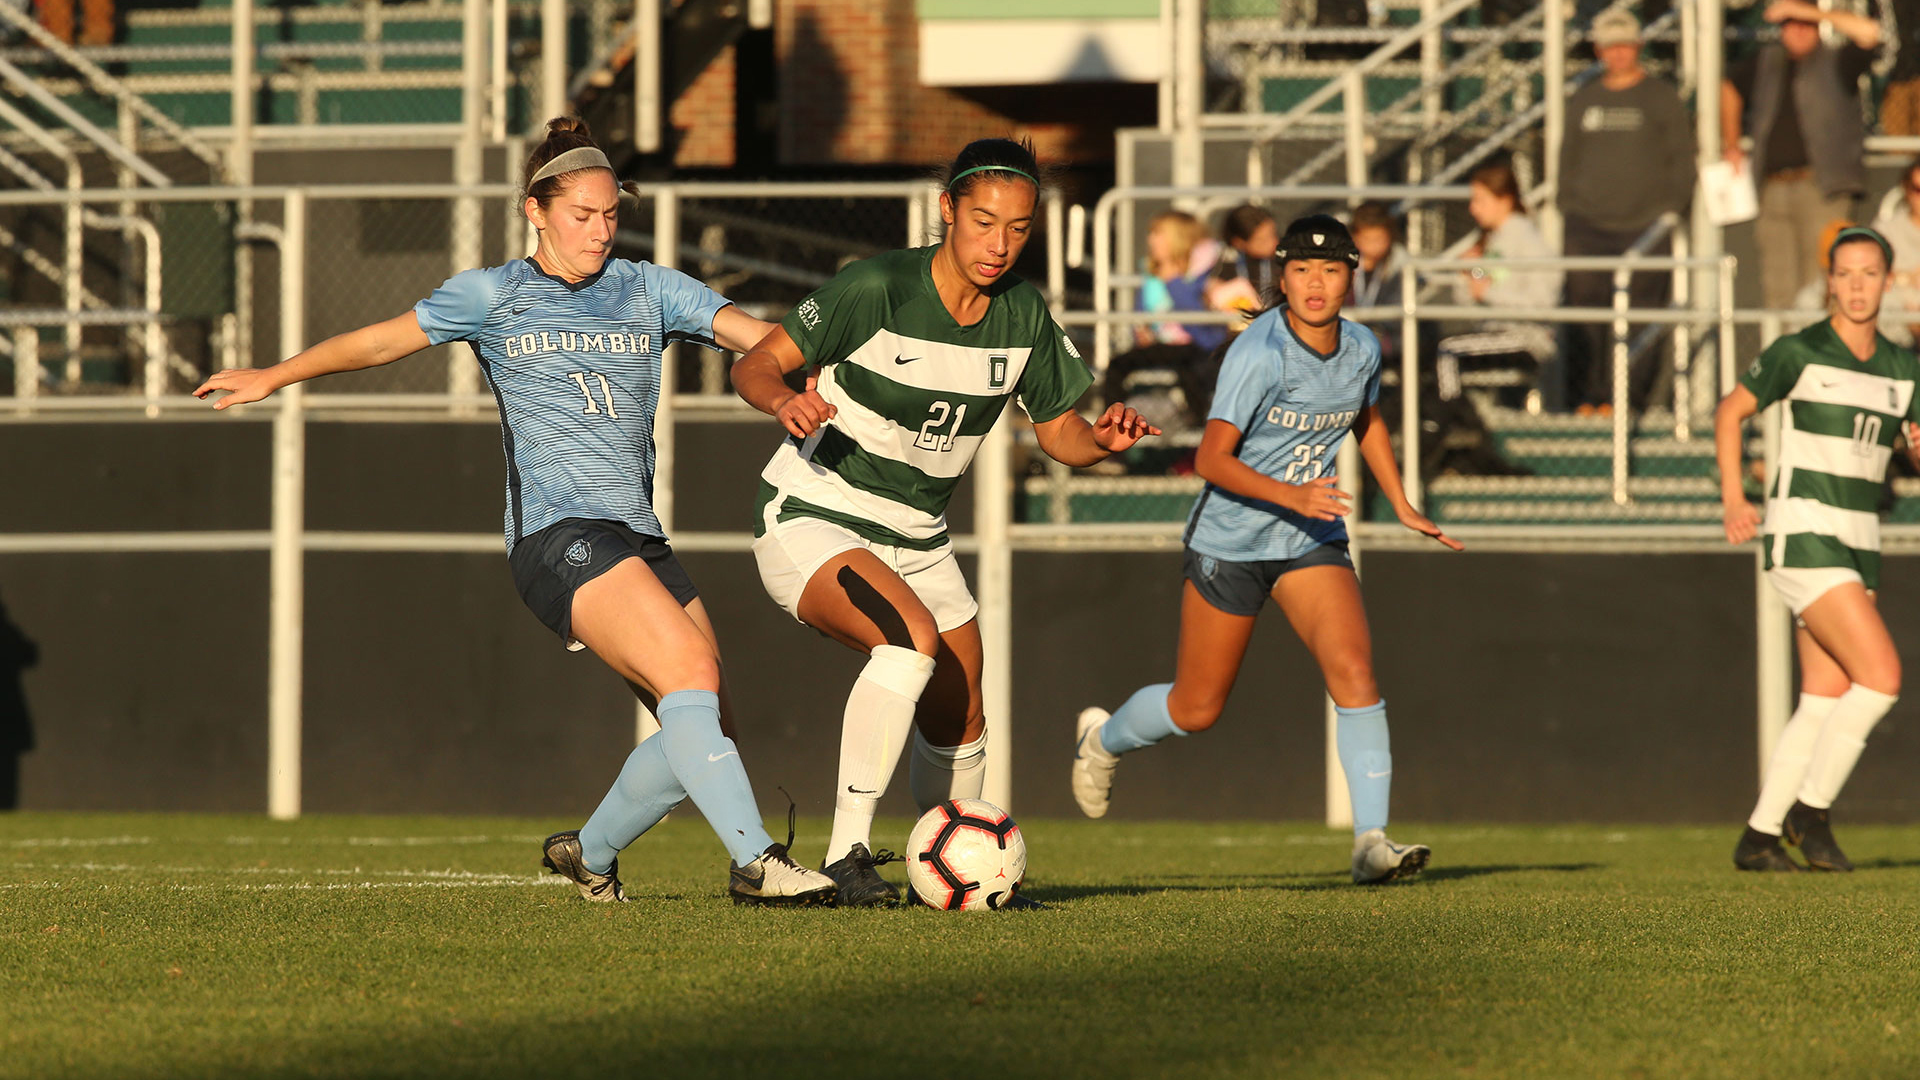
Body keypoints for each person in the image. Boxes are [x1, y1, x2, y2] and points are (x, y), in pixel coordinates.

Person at [193, 117, 837, 907]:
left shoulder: (652, 289)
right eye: (581, 215)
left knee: (704, 727)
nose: (600, 231)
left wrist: (829, 366)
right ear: (535, 210)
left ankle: (589, 857)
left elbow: (764, 341)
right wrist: (274, 374)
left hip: (636, 535)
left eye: (610, 215)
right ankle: (756, 864)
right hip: (557, 536)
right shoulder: (492, 294)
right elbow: (376, 344)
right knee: (691, 674)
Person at [730, 137, 1158, 907]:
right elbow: (755, 362)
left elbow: (1061, 432)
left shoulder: (1022, 312)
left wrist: (1101, 441)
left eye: (1019, 228)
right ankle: (845, 855)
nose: (999, 243)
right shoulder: (878, 286)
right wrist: (782, 398)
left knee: (963, 710)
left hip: (917, 536)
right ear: (947, 211)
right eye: (983, 220)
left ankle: (949, 866)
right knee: (909, 640)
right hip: (814, 512)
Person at [1070, 215, 1464, 885]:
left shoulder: (1363, 347)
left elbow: (1365, 417)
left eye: (1332, 270)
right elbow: (1211, 459)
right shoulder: (1259, 350)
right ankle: (1102, 740)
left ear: (1352, 278)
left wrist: (1399, 502)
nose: (1316, 283)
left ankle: (1371, 842)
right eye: (1303, 270)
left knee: (1356, 675)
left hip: (1309, 539)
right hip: (1231, 542)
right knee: (1197, 707)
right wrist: (1292, 494)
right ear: (1280, 278)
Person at [1717, 226, 1920, 873]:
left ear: (1890, 281)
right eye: (1846, 273)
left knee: (1826, 695)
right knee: (1882, 677)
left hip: (1862, 538)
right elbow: (1729, 412)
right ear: (1829, 281)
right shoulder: (1799, 350)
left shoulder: (1903, 368)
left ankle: (1758, 838)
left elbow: (1906, 450)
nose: (1857, 286)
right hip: (1805, 532)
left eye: (1869, 273)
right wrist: (1733, 497)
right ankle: (1811, 809)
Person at [1557, 7, 1694, 413]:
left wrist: (1669, 212)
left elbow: (1682, 161)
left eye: (1625, 46)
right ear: (1598, 50)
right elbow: (1567, 161)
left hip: (1645, 227)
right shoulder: (1584, 100)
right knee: (1588, 318)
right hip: (1588, 227)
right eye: (1609, 47)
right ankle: (1592, 396)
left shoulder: (1660, 97)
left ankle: (1628, 401)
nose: (1617, 54)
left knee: (1641, 318)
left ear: (1639, 47)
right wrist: (1571, 208)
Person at [1723, 0, 1882, 312]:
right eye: (1789, 24)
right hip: (1771, 188)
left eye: (1804, 23)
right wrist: (1731, 142)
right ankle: (1785, 359)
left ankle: (1820, 358)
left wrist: (1813, 12)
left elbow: (1871, 34)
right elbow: (1727, 87)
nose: (1797, 30)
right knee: (1777, 287)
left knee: (1821, 285)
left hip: (1822, 188)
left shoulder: (1837, 60)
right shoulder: (1767, 61)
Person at [1440, 161, 1562, 411]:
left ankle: (1456, 424)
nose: (1473, 209)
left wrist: (1488, 292)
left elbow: (1544, 301)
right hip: (1493, 332)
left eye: (1480, 200)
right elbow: (1471, 297)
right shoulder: (1491, 240)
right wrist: (1468, 273)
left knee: (1447, 352)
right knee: (1434, 349)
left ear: (1505, 200)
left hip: (1525, 338)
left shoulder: (1527, 240)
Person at [1103, 210, 1228, 424]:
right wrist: (1141, 331)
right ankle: (1115, 423)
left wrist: (1173, 281)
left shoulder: (1199, 276)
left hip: (1192, 348)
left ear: (1177, 237)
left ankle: (1200, 427)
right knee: (1116, 365)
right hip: (1159, 347)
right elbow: (1142, 314)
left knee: (1191, 371)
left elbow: (1198, 323)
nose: (1151, 239)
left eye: (1158, 233)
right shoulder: (1151, 275)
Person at [1869, 157, 1920, 342]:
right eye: (1918, 190)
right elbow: (1870, 274)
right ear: (1907, 190)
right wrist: (1906, 279)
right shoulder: (1886, 230)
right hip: (1897, 325)